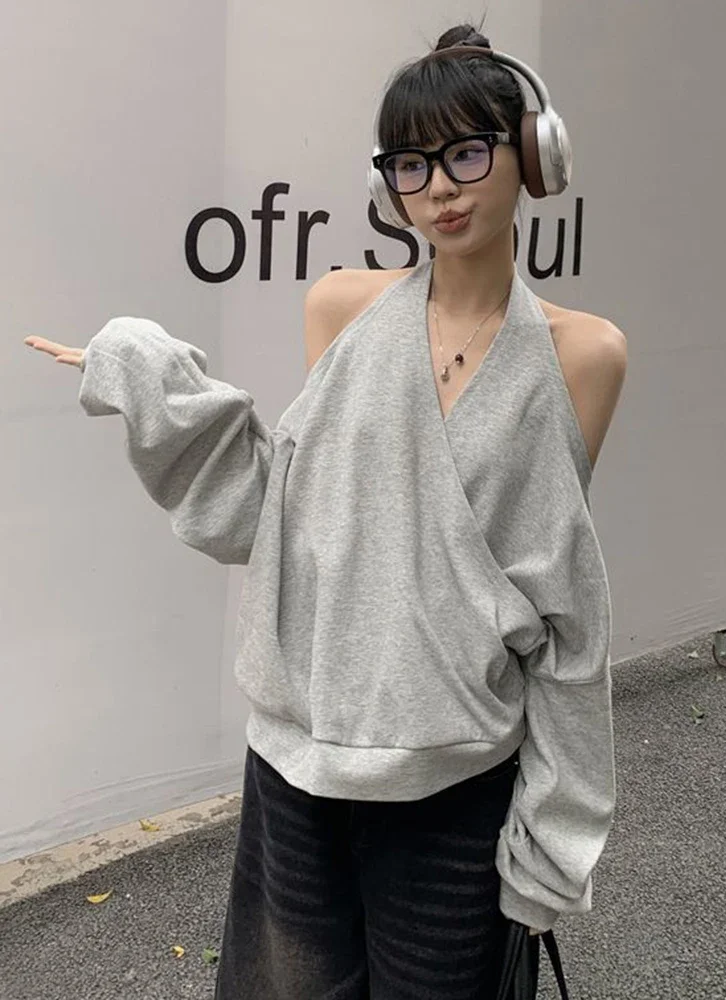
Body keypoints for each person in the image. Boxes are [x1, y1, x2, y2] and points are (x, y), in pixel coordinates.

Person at [23, 17, 627, 1000]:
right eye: (412, 163)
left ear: (534, 156)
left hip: (455, 785)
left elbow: (569, 620)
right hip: (295, 768)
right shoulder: (341, 309)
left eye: (469, 152)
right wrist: (144, 373)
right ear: (386, 184)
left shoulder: (584, 356)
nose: (440, 187)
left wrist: (553, 840)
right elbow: (292, 521)